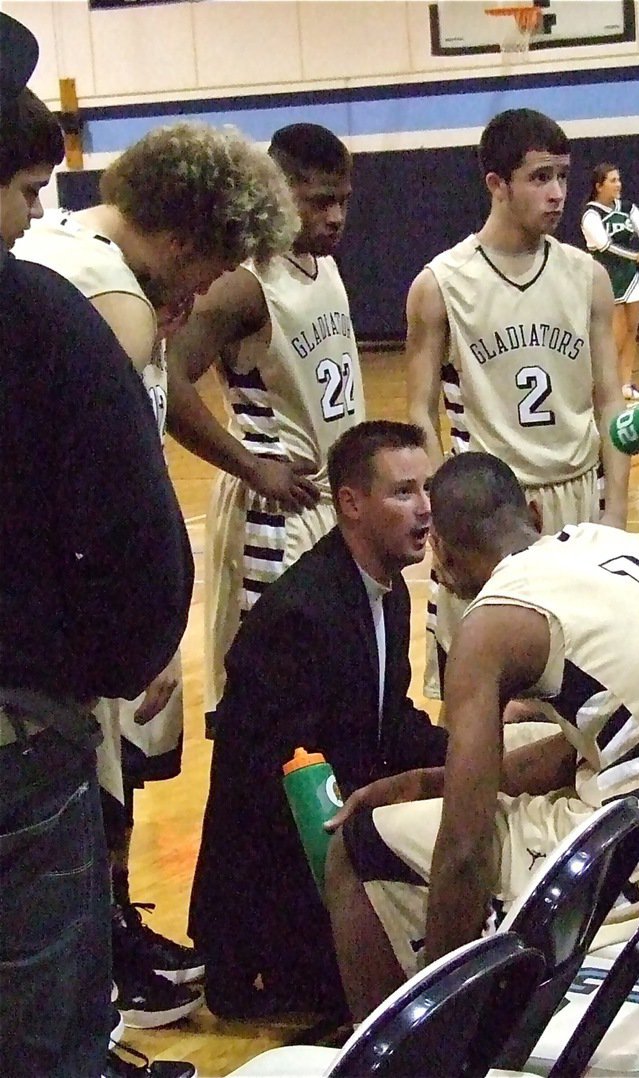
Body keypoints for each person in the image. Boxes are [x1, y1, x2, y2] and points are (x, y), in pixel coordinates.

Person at [13, 119, 297, 1029]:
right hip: (49, 644)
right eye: (217, 264)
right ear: (185, 239)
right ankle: (100, 977)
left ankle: (113, 939)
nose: (213, 287)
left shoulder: (68, 245)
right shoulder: (116, 304)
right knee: (80, 802)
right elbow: (112, 497)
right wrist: (144, 631)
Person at [322, 451, 639, 1017]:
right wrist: (424, 783)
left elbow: (463, 849)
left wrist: (445, 1006)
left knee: (357, 848)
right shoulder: (616, 545)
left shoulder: (492, 623)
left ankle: (404, 1054)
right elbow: (597, 744)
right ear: (533, 512)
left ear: (444, 559)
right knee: (528, 741)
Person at [0, 14, 192, 1074]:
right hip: (20, 747)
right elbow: (131, 538)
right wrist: (119, 663)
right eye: (28, 192)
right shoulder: (49, 317)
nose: (36, 219)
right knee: (44, 1032)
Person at [189, 421, 450, 1019]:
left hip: (336, 837)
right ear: (351, 504)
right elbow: (268, 789)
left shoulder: (389, 590)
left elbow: (388, 723)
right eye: (404, 492)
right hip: (279, 892)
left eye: (427, 489)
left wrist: (481, 746)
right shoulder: (302, 614)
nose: (425, 510)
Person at [406, 108, 629, 700]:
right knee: (481, 695)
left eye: (562, 175)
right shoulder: (440, 284)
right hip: (491, 511)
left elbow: (610, 398)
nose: (557, 193)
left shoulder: (588, 275)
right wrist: (441, 512)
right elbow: (418, 414)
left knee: (591, 688)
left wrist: (618, 508)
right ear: (496, 185)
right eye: (538, 177)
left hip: (579, 493)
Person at [164, 123, 359, 711]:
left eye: (343, 201)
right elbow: (165, 382)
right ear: (277, 191)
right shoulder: (242, 285)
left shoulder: (321, 263)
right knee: (275, 698)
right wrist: (250, 466)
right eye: (320, 201)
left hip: (328, 500)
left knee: (335, 692)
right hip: (276, 512)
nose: (336, 217)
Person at [581, 162, 639, 400]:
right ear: (599, 186)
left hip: (630, 275)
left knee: (632, 329)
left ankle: (625, 383)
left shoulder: (627, 207)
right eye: (612, 180)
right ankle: (605, 383)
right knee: (616, 332)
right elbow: (604, 245)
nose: (618, 184)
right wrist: (636, 257)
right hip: (607, 275)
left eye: (619, 179)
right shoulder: (591, 214)